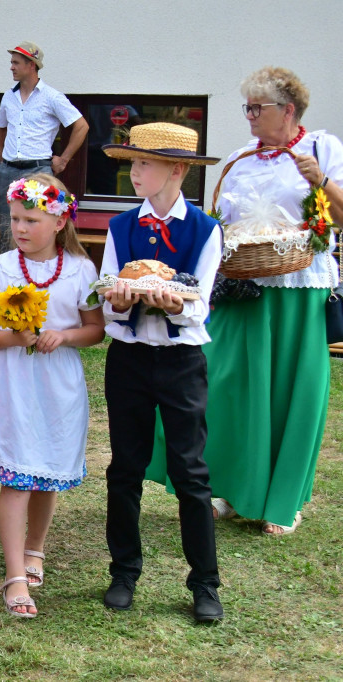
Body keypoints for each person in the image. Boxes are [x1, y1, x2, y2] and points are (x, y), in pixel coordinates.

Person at [161, 68, 343, 535]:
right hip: (240, 282)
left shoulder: (322, 148)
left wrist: (320, 180)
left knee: (290, 390)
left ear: (288, 110)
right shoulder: (241, 157)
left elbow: (338, 217)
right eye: (247, 107)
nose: (248, 116)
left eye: (256, 108)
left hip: (299, 286)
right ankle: (227, 486)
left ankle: (283, 500)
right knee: (225, 382)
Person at [99, 122, 224, 622]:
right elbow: (106, 298)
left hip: (180, 363)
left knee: (190, 472)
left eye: (144, 163)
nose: (134, 172)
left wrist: (173, 304)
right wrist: (122, 297)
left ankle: (205, 583)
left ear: (177, 170)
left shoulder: (206, 229)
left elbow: (200, 305)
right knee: (124, 467)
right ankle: (124, 570)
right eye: (131, 162)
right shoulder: (121, 227)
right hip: (129, 358)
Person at [0, 174, 103, 618]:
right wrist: (16, 337)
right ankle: (14, 575)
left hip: (59, 387)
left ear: (61, 219)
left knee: (46, 474)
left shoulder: (82, 270)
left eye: (31, 220)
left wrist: (63, 336)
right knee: (17, 477)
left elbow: (95, 330)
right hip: (15, 386)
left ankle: (35, 549)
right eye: (15, 219)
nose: (20, 228)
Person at [0, 42, 88, 250]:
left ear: (31, 65)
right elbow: (0, 127)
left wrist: (64, 159)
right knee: (6, 227)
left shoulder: (52, 96)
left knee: (39, 226)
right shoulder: (8, 96)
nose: (11, 67)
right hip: (7, 171)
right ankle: (7, 275)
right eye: (11, 63)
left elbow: (81, 126)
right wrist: (2, 158)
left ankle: (37, 276)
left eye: (16, 63)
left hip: (38, 171)